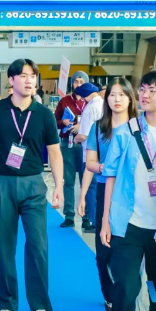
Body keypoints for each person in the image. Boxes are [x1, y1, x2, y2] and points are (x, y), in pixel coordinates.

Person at [0, 59, 64, 311]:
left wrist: (59, 186)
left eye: (32, 76)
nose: (29, 80)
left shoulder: (44, 113)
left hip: (34, 184)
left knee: (38, 245)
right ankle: (7, 304)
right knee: (4, 245)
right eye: (23, 75)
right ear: (11, 80)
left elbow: (55, 152)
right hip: (2, 183)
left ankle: (40, 306)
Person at [101, 70, 156, 311]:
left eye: (152, 90)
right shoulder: (126, 131)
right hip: (128, 222)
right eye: (142, 89)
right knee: (125, 287)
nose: (144, 95)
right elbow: (110, 175)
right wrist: (105, 220)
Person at [77, 78, 138, 311]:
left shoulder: (139, 127)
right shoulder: (99, 127)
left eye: (122, 94)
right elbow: (89, 163)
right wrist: (104, 170)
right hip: (105, 191)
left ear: (131, 98)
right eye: (112, 94)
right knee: (103, 253)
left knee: (128, 253)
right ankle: (110, 296)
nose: (117, 99)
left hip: (134, 195)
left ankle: (124, 305)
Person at [54, 71, 89, 228]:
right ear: (72, 83)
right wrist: (63, 122)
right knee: (68, 180)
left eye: (82, 82)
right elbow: (54, 121)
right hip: (67, 143)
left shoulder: (90, 102)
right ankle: (69, 215)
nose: (79, 84)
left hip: (86, 145)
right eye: (76, 82)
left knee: (85, 181)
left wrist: (82, 126)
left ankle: (86, 216)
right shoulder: (64, 101)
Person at [74, 83, 104, 232]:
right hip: (103, 153)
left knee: (90, 188)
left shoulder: (89, 108)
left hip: (90, 154)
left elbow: (84, 134)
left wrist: (75, 138)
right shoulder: (104, 105)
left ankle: (94, 221)